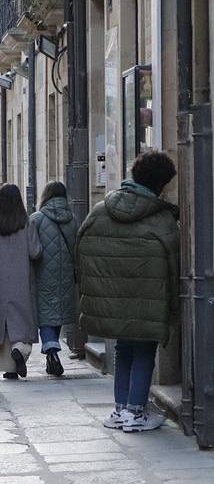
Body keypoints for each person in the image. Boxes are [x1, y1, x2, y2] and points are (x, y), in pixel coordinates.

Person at [78, 151, 179, 433]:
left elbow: (81, 252)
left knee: (123, 349)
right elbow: (174, 263)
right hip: (148, 299)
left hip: (113, 298)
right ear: (160, 184)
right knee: (145, 350)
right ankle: (136, 412)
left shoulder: (100, 211)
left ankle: (121, 408)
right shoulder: (161, 219)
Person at [0, 184, 42, 380]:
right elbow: (35, 252)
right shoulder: (27, 224)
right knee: (22, 322)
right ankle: (20, 349)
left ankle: (9, 368)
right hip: (22, 280)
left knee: (2, 324)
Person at [29, 181, 80, 377]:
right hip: (66, 274)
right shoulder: (73, 219)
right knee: (57, 312)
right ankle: (53, 347)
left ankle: (51, 350)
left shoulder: (37, 219)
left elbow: (32, 249)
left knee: (45, 314)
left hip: (42, 273)